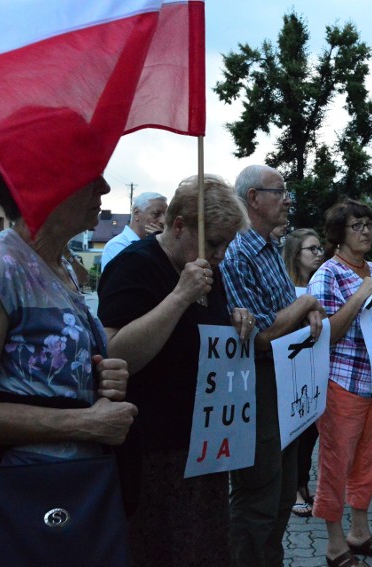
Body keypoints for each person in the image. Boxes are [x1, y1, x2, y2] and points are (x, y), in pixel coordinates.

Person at [0, 159, 137, 566]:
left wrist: (102, 377)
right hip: (19, 501)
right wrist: (84, 423)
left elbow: (43, 374)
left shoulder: (60, 267)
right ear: (48, 183)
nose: (106, 188)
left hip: (71, 494)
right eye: (90, 175)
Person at [97, 175, 254, 565]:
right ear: (180, 225)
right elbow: (116, 354)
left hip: (202, 449)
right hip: (152, 453)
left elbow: (203, 332)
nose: (220, 255)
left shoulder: (203, 268)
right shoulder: (134, 266)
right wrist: (180, 296)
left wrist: (235, 318)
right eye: (215, 242)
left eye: (226, 245)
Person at [220, 165, 324, 567]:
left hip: (285, 382)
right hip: (258, 382)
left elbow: (285, 315)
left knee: (281, 494)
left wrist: (306, 313)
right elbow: (261, 335)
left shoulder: (267, 248)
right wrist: (306, 303)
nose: (288, 199)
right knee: (258, 496)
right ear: (252, 199)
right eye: (279, 191)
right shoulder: (237, 251)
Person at [308, 200, 372, 567]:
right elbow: (327, 335)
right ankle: (333, 545)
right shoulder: (327, 274)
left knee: (368, 462)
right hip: (343, 383)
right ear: (338, 234)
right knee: (336, 463)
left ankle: (359, 532)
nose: (365, 231)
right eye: (356, 225)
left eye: (368, 224)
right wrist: (360, 295)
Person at [281, 228, 325, 517]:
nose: (319, 254)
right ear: (296, 255)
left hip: (316, 367)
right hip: (290, 368)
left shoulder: (320, 285)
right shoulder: (285, 286)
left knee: (310, 433)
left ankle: (303, 482)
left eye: (320, 248)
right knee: (294, 433)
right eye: (313, 249)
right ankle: (293, 489)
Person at [101, 192, 167, 271]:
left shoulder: (160, 243)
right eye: (156, 214)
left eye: (166, 215)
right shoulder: (117, 245)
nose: (163, 221)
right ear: (136, 214)